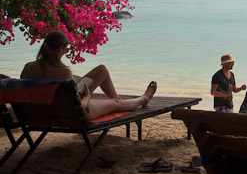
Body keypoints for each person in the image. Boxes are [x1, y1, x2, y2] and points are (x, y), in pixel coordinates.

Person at [20, 31, 157, 121]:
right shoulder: (63, 71)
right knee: (115, 103)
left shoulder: (28, 68)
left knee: (101, 70)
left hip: (39, 114)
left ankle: (118, 101)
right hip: (70, 115)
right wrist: (86, 97)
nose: (66, 52)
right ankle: (143, 98)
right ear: (60, 49)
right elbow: (80, 106)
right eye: (66, 49)